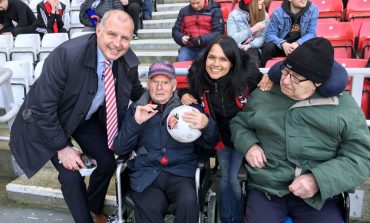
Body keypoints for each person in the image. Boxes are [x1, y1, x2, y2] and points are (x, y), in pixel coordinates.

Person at [9, 10, 145, 223]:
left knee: (107, 162)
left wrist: (169, 99)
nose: (118, 43)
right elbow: (42, 108)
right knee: (71, 175)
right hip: (48, 121)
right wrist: (63, 148)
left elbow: (137, 92)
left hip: (82, 117)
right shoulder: (66, 55)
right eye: (112, 34)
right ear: (98, 29)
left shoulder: (126, 61)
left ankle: (92, 209)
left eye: (125, 38)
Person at [230, 37, 370, 223]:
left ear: (318, 82)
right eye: (286, 71)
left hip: (318, 196)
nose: (286, 81)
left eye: (296, 78)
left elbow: (360, 157)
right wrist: (249, 145)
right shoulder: (266, 94)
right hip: (268, 187)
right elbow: (239, 124)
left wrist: (318, 180)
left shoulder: (344, 107)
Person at [114, 59, 218, 223]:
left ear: (174, 85)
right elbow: (120, 149)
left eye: (165, 82)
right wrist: (135, 124)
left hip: (181, 172)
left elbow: (209, 144)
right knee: (149, 207)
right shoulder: (136, 109)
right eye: (155, 82)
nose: (160, 87)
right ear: (148, 84)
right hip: (147, 174)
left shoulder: (189, 109)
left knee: (188, 202)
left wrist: (207, 125)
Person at [180, 36, 271, 223]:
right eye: (212, 57)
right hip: (220, 138)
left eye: (223, 59)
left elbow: (276, 76)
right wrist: (184, 94)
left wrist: (272, 75)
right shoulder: (200, 78)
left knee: (233, 179)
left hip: (245, 136)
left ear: (232, 62)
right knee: (225, 178)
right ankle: (228, 218)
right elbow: (188, 92)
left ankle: (237, 218)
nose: (215, 64)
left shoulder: (248, 75)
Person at [260, 0, 319, 67]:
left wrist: (297, 43)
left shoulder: (312, 10)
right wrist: (283, 44)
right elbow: (270, 35)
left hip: (300, 46)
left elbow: (311, 33)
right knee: (268, 47)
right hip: (282, 47)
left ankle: (307, 75)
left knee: (318, 45)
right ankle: (263, 72)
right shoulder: (278, 13)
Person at [227, 0, 269, 65]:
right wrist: (252, 30)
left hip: (253, 48)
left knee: (251, 58)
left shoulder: (265, 15)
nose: (262, 1)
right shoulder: (233, 15)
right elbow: (232, 38)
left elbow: (262, 37)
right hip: (236, 48)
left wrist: (250, 45)